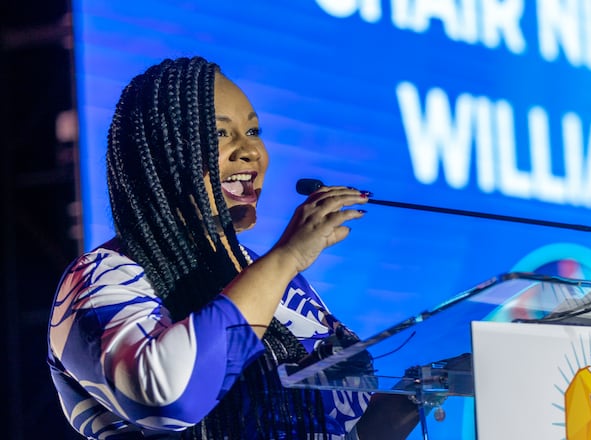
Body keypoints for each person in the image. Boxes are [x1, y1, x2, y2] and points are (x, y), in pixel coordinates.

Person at [47, 56, 420, 439]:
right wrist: (287, 257)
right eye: (222, 134)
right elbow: (168, 397)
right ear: (161, 153)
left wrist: (420, 394)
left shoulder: (260, 273)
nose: (251, 151)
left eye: (254, 131)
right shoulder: (102, 278)